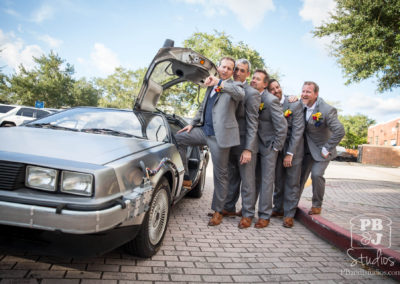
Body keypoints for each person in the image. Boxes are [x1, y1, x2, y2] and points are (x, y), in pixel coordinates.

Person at [175, 57, 245, 226]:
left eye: (229, 68)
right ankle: (185, 176)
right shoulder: (209, 85)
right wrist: (191, 124)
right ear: (218, 67)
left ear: (232, 71)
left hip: (219, 137)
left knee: (220, 175)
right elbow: (202, 107)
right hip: (203, 131)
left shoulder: (235, 86)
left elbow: (240, 95)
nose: (225, 70)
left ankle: (218, 211)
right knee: (178, 138)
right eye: (223, 66)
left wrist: (219, 82)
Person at [221, 59, 260, 229]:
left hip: (245, 143)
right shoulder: (226, 87)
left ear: (247, 74)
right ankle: (228, 208)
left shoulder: (252, 93)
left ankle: (248, 214)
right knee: (231, 178)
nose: (237, 73)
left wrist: (248, 149)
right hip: (230, 142)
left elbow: (253, 122)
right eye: (236, 69)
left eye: (242, 71)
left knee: (247, 180)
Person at [299, 81, 345, 215]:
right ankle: (291, 205)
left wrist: (327, 148)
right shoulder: (300, 105)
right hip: (305, 149)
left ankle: (316, 205)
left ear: (316, 94)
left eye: (308, 92)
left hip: (322, 151)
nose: (304, 94)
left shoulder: (326, 110)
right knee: (299, 177)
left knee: (317, 174)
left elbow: (340, 131)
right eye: (303, 91)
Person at [250, 70, 287, 228]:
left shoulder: (271, 100)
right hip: (253, 146)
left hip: (268, 148)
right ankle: (248, 211)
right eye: (253, 78)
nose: (253, 81)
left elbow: (282, 126)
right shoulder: (250, 96)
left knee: (266, 182)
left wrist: (275, 148)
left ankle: (264, 215)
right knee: (253, 181)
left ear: (265, 84)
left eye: (257, 79)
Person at [268, 79, 305, 228]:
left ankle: (289, 215)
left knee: (292, 182)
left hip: (293, 148)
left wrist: (290, 153)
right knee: (278, 180)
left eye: (277, 87)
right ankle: (277, 209)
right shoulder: (269, 104)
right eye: (272, 89)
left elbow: (297, 131)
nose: (276, 90)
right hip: (277, 148)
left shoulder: (294, 104)